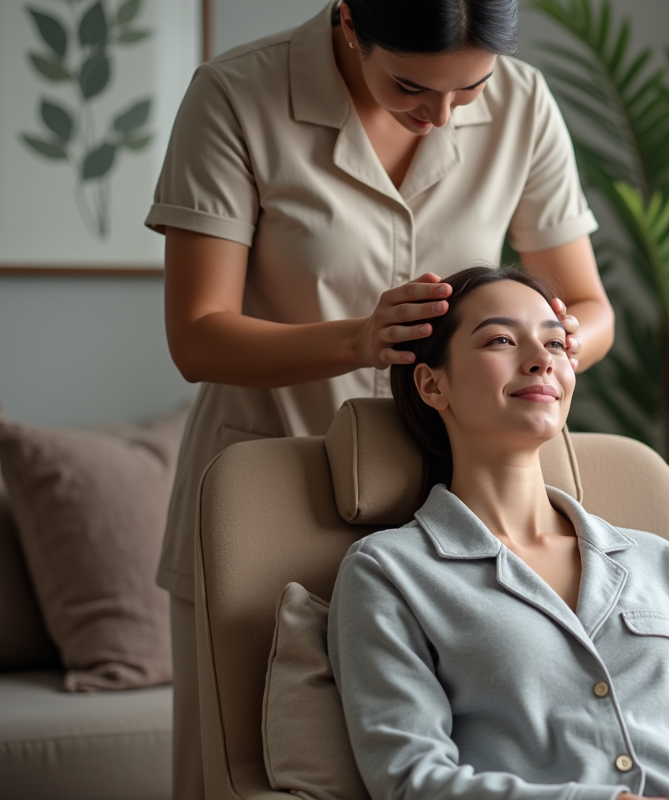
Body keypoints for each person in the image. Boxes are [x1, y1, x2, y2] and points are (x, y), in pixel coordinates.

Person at [146, 1, 614, 796]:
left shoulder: (524, 102)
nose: (441, 116)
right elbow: (197, 337)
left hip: (461, 514)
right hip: (267, 500)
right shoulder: (235, 96)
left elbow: (590, 308)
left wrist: (553, 340)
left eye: (470, 91)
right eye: (411, 87)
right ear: (351, 19)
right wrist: (360, 339)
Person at [328, 266, 669, 800]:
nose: (540, 359)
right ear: (433, 383)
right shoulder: (390, 572)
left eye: (554, 341)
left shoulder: (655, 559)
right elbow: (412, 780)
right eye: (501, 340)